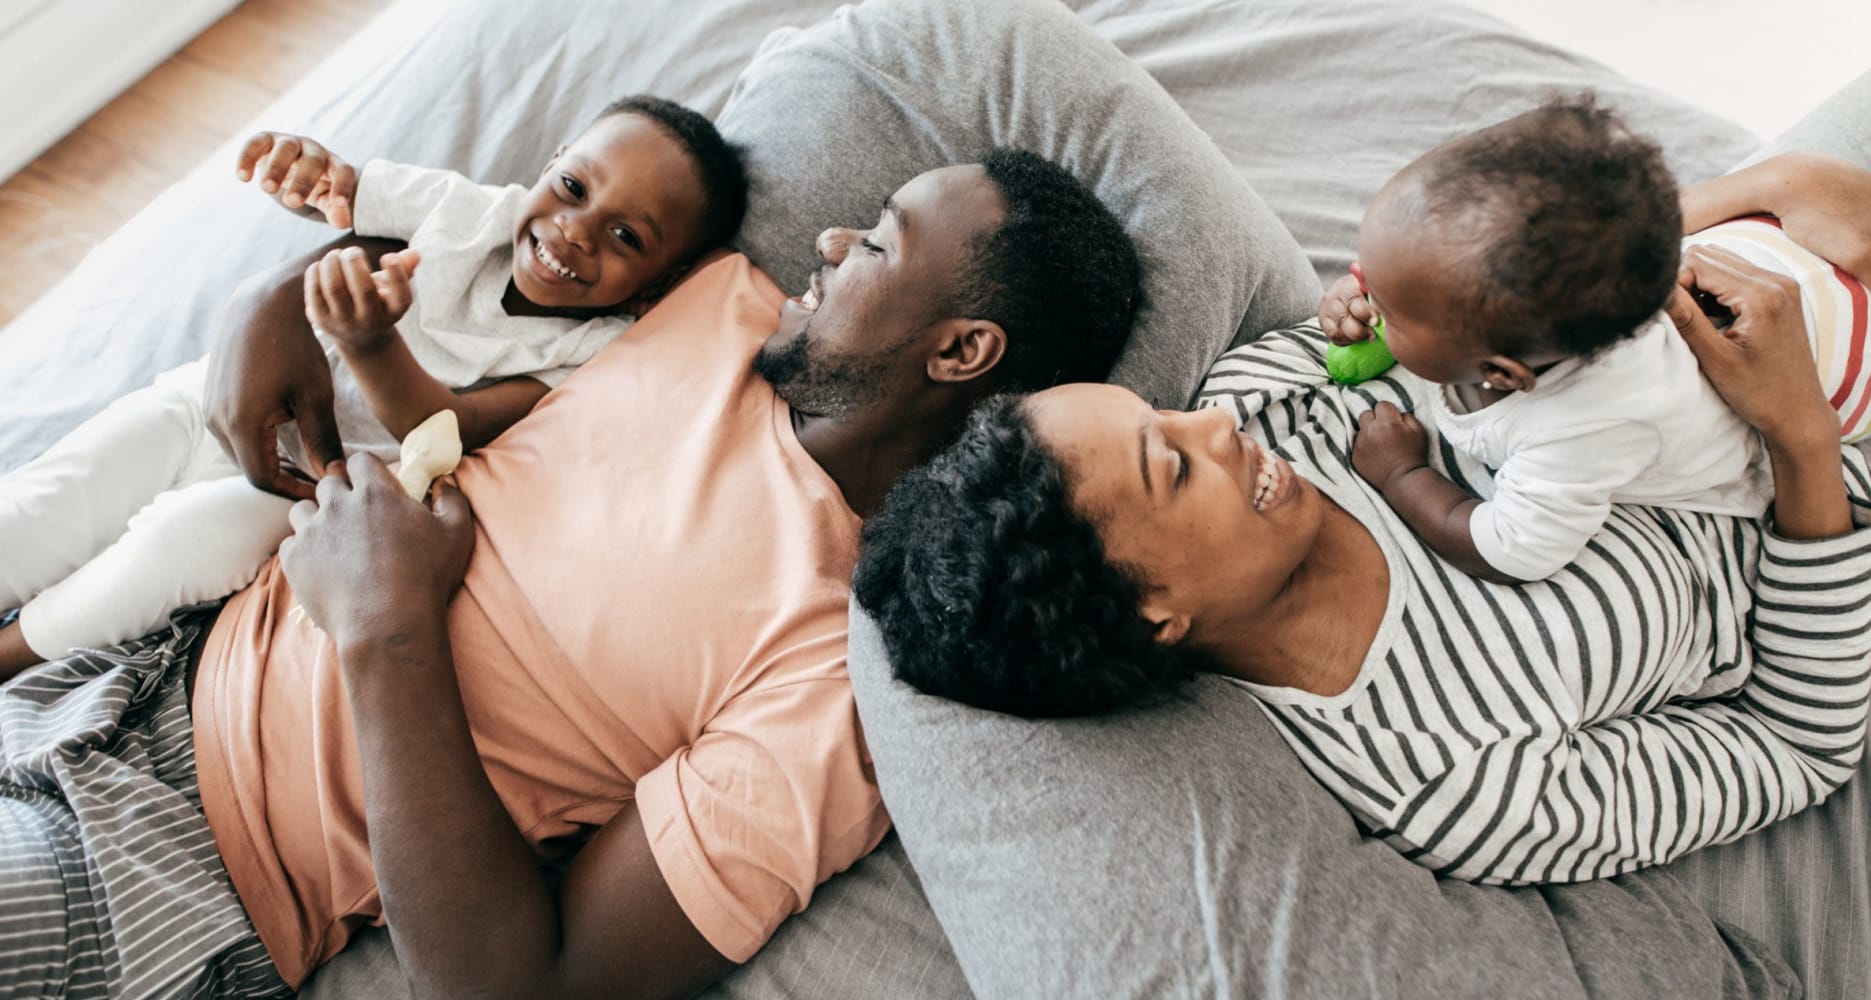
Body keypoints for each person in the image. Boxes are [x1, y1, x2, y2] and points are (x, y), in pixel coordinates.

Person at [0, 149, 1142, 998]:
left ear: (958, 351)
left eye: (881, 243)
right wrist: (283, 294)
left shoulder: (836, 673)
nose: (834, 242)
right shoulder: (724, 306)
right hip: (139, 649)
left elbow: (521, 988)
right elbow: (491, 257)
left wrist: (389, 629)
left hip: (177, 863)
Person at [855, 152, 1871, 886]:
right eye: (1171, 468)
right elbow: (1795, 744)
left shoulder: (1264, 401)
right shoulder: (1447, 778)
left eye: (1163, 413)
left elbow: (1491, 307)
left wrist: (1771, 189)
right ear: (1153, 607)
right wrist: (1797, 437)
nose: (1213, 427)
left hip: (1729, 283)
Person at [0, 95, 747, 677]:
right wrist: (300, 168)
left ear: (665, 281)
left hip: (300, 491)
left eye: (627, 237)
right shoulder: (466, 210)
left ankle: (18, 653)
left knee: (177, 545)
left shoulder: (591, 352)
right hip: (209, 403)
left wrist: (369, 343)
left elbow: (444, 424)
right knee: (57, 498)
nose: (575, 231)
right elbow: (341, 193)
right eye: (573, 186)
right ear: (549, 164)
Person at [1311, 94, 1871, 583]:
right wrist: (1380, 299)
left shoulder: (1579, 431)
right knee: (1778, 252)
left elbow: (1505, 549)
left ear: (1505, 372)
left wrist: (1404, 474)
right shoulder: (1596, 276)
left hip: (1853, 368)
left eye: (1386, 301)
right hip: (1763, 248)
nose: (1361, 288)